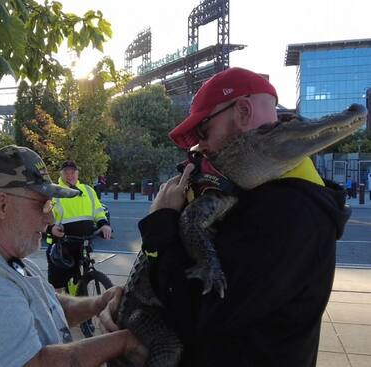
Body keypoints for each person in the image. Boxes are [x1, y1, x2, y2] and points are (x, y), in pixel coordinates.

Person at [123, 67, 349, 366]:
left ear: (242, 111)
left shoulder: (289, 211)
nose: (199, 146)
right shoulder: (252, 190)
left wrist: (161, 226)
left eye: (203, 131)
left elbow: (199, 316)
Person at [0, 145, 145, 367]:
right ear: (2, 205)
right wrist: (123, 342)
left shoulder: (12, 262)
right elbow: (38, 363)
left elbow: (49, 307)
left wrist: (97, 304)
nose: (50, 217)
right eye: (42, 205)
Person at [47, 160, 112, 292]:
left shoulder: (88, 190)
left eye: (73, 172)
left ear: (77, 174)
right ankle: (59, 307)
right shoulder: (54, 192)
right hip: (62, 243)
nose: (70, 175)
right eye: (66, 173)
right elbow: (44, 215)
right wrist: (51, 228)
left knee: (81, 277)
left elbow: (98, 211)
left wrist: (104, 225)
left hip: (84, 241)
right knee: (58, 283)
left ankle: (79, 300)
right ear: (61, 174)